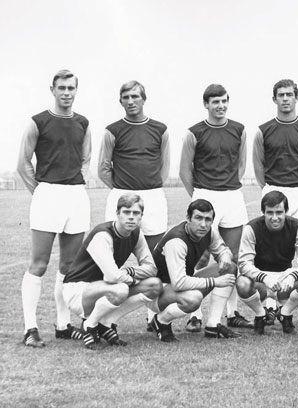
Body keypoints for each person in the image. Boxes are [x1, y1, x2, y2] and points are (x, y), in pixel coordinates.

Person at [17, 69, 91, 347]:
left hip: (75, 195)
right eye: (61, 88)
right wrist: (43, 193)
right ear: (53, 89)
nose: (66, 93)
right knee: (39, 264)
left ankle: (63, 325)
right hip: (47, 194)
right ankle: (30, 328)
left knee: (70, 266)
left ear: (76, 89)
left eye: (71, 88)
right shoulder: (38, 121)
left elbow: (86, 159)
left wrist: (72, 185)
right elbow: (23, 164)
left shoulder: (83, 122)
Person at [179, 84, 250, 332]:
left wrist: (228, 187)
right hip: (204, 194)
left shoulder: (239, 130)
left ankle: (231, 314)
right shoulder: (194, 132)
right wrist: (200, 197)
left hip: (232, 196)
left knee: (232, 256)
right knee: (200, 257)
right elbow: (184, 171)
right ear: (206, 104)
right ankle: (195, 314)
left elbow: (241, 166)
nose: (220, 106)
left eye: (223, 101)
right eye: (215, 102)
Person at [253, 79, 298, 325]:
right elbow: (258, 166)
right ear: (274, 99)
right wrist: (271, 188)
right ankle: (271, 305)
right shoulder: (263, 130)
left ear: (296, 97)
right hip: (273, 190)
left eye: (289, 94)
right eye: (280, 95)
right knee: (271, 252)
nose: (285, 99)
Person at [62, 194, 162, 349]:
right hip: (78, 290)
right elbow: (112, 275)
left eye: (136, 213)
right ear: (117, 214)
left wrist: (129, 270)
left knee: (154, 285)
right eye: (126, 212)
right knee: (120, 288)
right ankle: (90, 324)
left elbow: (151, 268)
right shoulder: (103, 234)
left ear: (141, 216)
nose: (131, 217)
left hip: (104, 287)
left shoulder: (136, 233)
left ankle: (106, 323)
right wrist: (133, 280)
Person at [149, 199, 239, 342]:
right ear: (188, 219)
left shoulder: (208, 232)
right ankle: (160, 321)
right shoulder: (176, 241)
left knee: (230, 268)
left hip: (178, 286)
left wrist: (225, 257)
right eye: (198, 218)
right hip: (157, 291)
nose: (203, 224)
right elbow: (178, 283)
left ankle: (213, 325)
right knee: (193, 298)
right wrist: (215, 281)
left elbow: (223, 250)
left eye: (208, 219)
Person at [98, 80, 170, 253]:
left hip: (153, 196)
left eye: (135, 96)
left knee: (155, 254)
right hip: (121, 195)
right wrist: (122, 187)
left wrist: (149, 185)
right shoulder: (112, 130)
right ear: (120, 101)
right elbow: (103, 168)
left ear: (144, 99)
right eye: (126, 97)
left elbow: (164, 166)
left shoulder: (160, 129)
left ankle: (153, 281)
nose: (130, 101)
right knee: (114, 254)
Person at [236, 191, 298, 335]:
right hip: (261, 280)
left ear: (286, 211)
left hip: (285, 278)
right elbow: (244, 264)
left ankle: (285, 313)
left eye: (279, 212)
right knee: (242, 283)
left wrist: (293, 276)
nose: (274, 217)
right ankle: (260, 314)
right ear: (263, 212)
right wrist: (264, 278)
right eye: (269, 212)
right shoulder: (251, 228)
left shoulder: (297, 226)